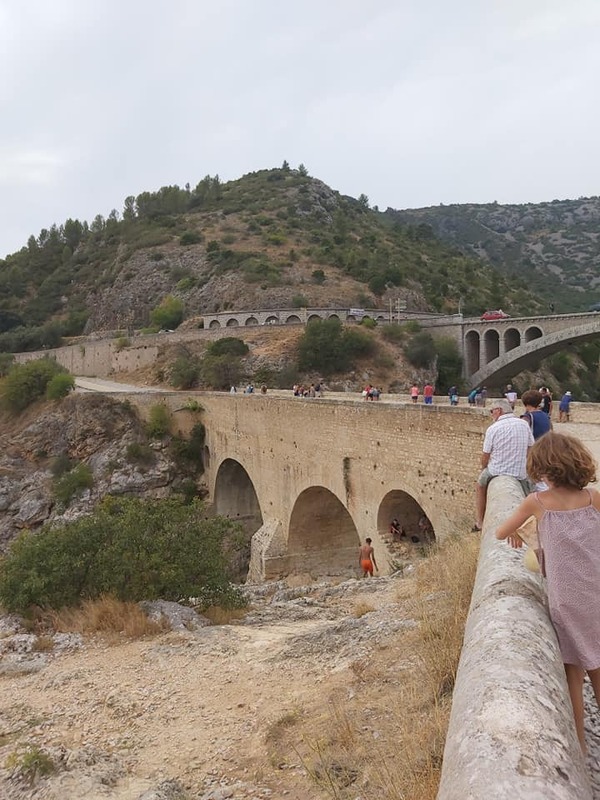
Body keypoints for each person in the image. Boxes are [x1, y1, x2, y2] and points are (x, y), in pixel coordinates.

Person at [495, 433, 600, 754]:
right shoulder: (594, 498)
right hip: (596, 590)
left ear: (542, 470)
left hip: (566, 600)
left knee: (573, 673)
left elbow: (500, 531)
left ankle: (580, 745)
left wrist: (522, 530)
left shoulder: (537, 503)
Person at [474, 398, 534, 531]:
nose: (491, 415)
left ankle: (479, 522)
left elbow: (485, 456)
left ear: (499, 411)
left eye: (491, 411)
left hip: (497, 470)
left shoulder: (493, 428)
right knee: (527, 491)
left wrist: (484, 468)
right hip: (520, 472)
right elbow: (531, 448)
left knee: (479, 485)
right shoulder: (524, 424)